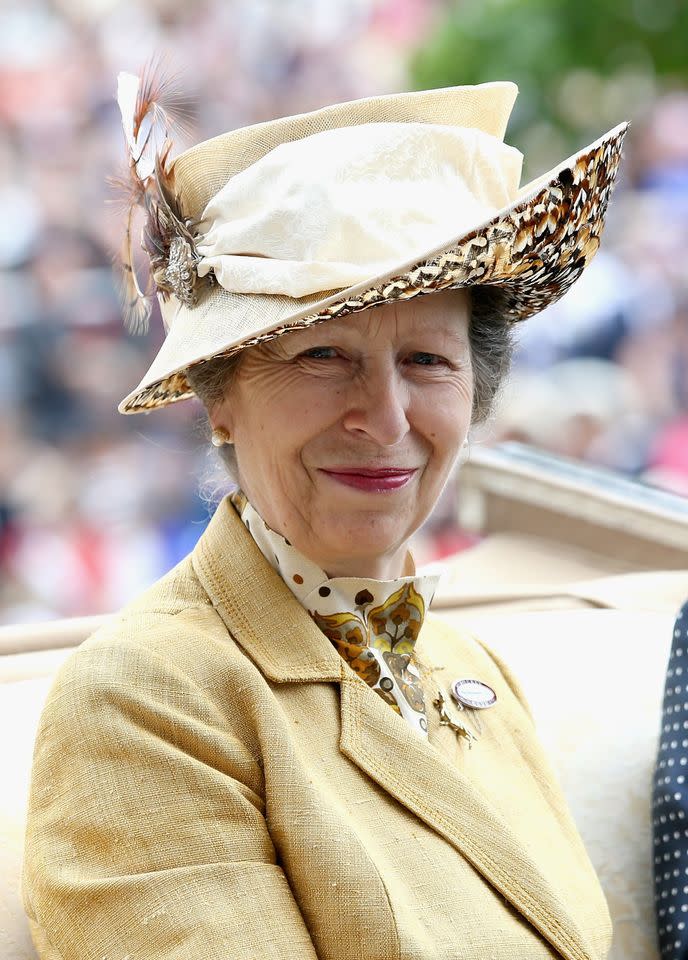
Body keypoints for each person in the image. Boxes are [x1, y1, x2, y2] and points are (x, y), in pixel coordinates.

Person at [22, 75, 628, 959]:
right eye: (322, 357)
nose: (384, 419)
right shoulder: (144, 700)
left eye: (427, 359)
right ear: (219, 398)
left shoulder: (472, 670)